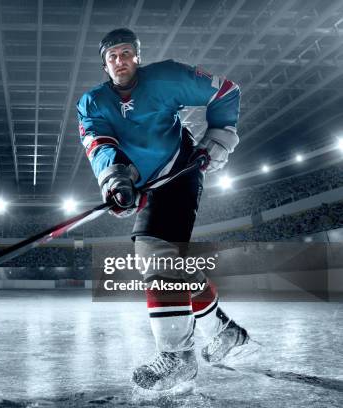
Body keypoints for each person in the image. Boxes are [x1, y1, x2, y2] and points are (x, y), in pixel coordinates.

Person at [77, 28, 250, 391]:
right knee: (165, 263)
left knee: (155, 256)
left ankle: (178, 358)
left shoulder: (168, 77)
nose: (120, 61)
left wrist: (217, 139)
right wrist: (116, 181)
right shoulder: (92, 103)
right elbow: (99, 144)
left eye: (126, 54)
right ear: (104, 64)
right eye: (113, 56)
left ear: (137, 56)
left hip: (180, 170)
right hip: (146, 184)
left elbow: (225, 91)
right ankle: (224, 330)